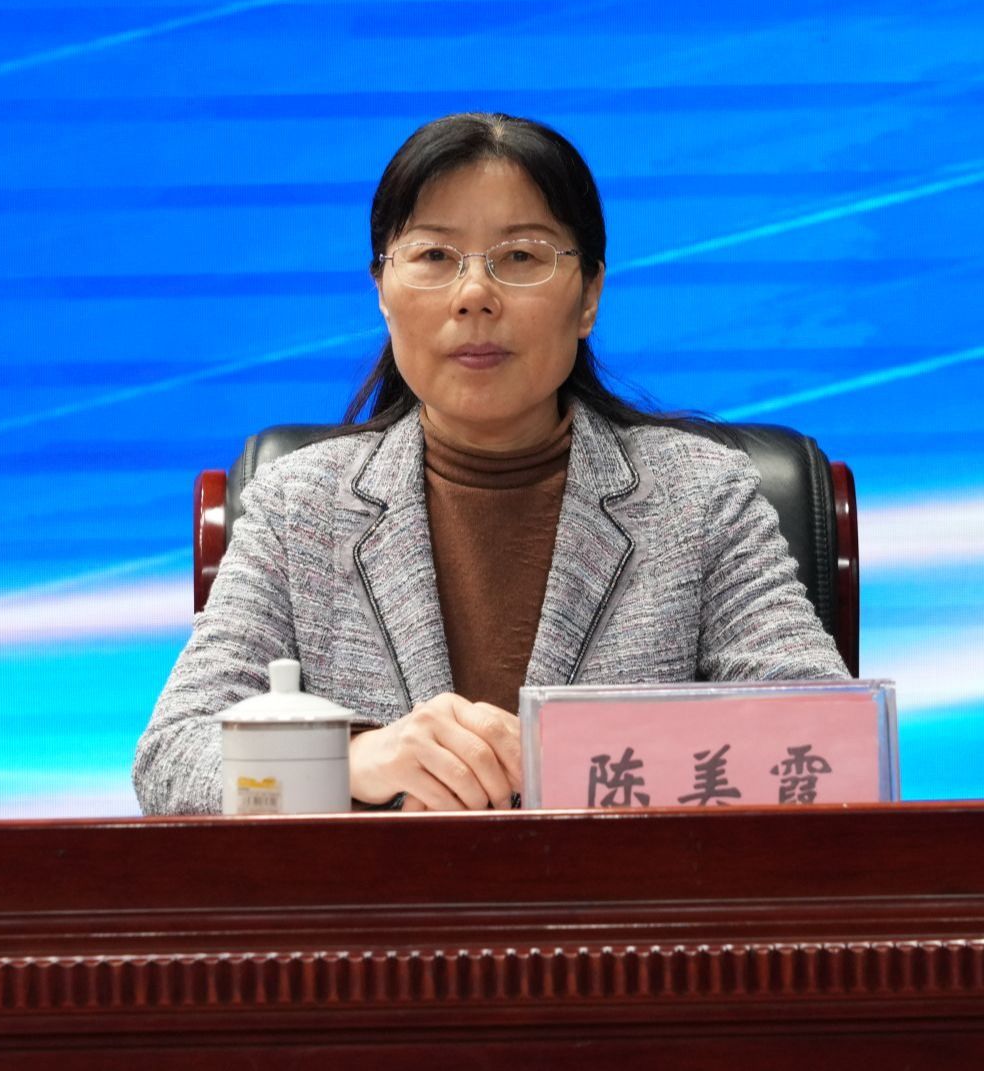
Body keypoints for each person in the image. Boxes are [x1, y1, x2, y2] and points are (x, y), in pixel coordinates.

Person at [133, 112, 848, 815]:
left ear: (589, 295)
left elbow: (828, 744)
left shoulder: (701, 497)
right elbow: (171, 759)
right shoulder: (299, 505)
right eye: (434, 257)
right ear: (382, 291)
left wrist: (563, 762)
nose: (475, 295)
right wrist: (352, 761)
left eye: (522, 257)